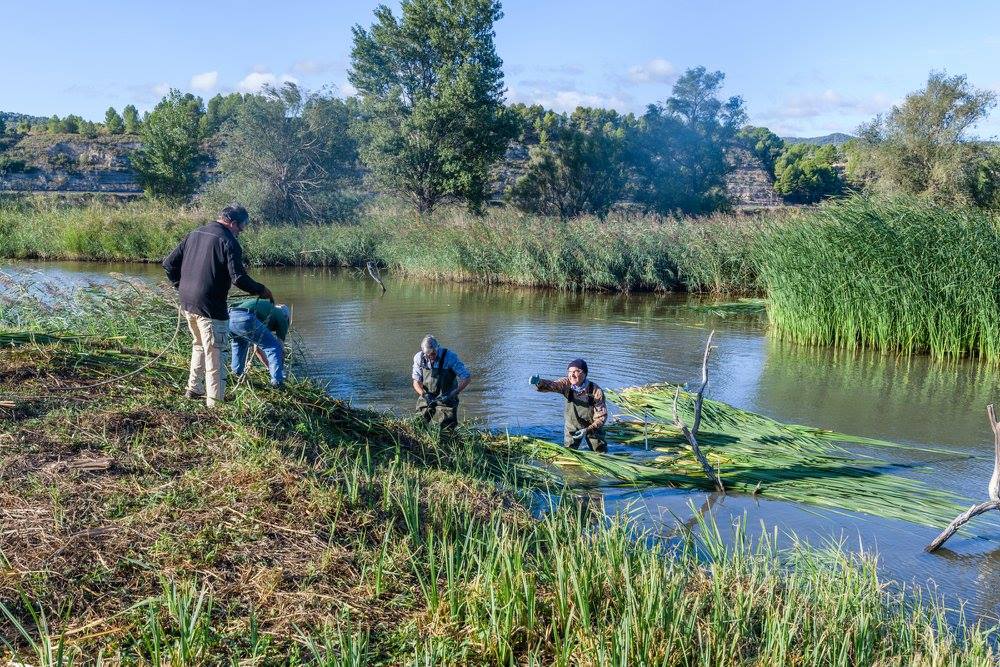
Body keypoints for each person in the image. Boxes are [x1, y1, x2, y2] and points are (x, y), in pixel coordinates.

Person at [162, 203, 272, 407]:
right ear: (232, 222)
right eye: (241, 227)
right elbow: (238, 278)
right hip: (210, 308)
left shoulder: (195, 233)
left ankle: (194, 389)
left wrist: (180, 286)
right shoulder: (229, 241)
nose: (241, 232)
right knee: (216, 352)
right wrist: (261, 290)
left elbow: (168, 264)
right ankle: (215, 403)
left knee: (199, 346)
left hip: (187, 303)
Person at [529, 358, 608, 452]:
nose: (571, 375)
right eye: (569, 372)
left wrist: (587, 430)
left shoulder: (596, 391)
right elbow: (553, 385)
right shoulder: (566, 384)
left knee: (599, 452)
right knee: (570, 452)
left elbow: (601, 417)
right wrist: (539, 382)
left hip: (592, 426)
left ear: (584, 373)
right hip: (572, 425)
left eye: (575, 371)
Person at [411, 335, 471, 428]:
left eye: (434, 354)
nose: (431, 357)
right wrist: (424, 394)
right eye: (428, 355)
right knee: (417, 424)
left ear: (437, 347)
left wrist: (453, 393)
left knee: (446, 429)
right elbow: (416, 382)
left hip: (447, 397)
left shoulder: (450, 357)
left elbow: (466, 378)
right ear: (423, 351)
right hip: (427, 395)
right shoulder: (419, 358)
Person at [230, 298, 290, 388]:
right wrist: (281, 372)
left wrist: (269, 367)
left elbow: (257, 349)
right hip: (245, 317)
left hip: (229, 318)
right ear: (286, 316)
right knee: (274, 347)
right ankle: (277, 384)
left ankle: (236, 376)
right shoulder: (282, 317)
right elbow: (279, 350)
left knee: (240, 344)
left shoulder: (267, 311)